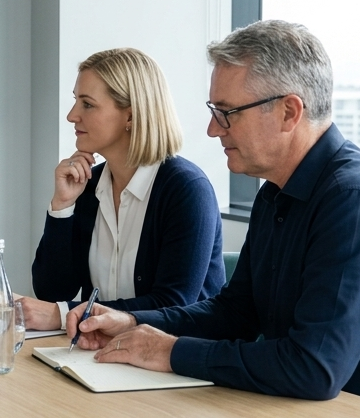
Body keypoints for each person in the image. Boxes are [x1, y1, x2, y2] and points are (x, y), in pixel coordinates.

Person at [70, 20, 360, 418]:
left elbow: (313, 368)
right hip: (310, 417)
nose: (211, 128)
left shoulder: (358, 202)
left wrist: (169, 351)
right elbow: (235, 313)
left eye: (227, 113)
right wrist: (132, 322)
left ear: (289, 112)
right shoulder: (275, 192)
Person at [23, 48, 224, 330]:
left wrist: (63, 315)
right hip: (103, 352)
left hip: (174, 361)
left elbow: (174, 304)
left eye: (87, 104)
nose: (72, 116)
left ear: (130, 116)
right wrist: (63, 206)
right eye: (75, 102)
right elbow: (52, 292)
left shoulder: (186, 189)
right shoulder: (88, 185)